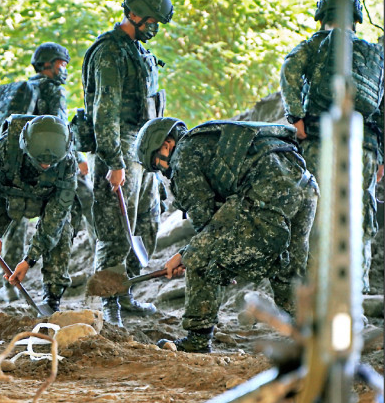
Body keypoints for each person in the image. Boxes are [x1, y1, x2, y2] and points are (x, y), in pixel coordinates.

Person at [132, 117, 319, 353]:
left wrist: (186, 257)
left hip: (267, 194)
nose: (161, 170)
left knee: (200, 256)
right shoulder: (207, 138)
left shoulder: (184, 158)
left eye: (156, 163)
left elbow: (206, 225)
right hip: (305, 187)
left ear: (167, 145)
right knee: (290, 267)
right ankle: (314, 337)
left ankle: (197, 341)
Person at [80, 0, 173, 325]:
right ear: (133, 14)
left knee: (146, 223)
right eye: (151, 21)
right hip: (117, 148)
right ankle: (110, 304)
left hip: (143, 149)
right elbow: (104, 111)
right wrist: (114, 161)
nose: (154, 28)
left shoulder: (138, 51)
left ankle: (126, 293)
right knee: (115, 231)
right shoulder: (109, 52)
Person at [280, 0, 384, 293]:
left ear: (322, 16)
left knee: (317, 212)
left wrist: (296, 118)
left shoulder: (314, 45)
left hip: (319, 140)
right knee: (360, 215)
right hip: (363, 147)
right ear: (356, 20)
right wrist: (380, 154)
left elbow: (289, 71)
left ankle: (315, 290)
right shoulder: (373, 56)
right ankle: (357, 291)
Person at [0, 41, 72, 302]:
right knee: (64, 218)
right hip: (39, 167)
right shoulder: (51, 90)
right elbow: (59, 129)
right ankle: (33, 288)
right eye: (62, 64)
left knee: (10, 225)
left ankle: (5, 288)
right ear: (49, 65)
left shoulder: (22, 89)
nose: (64, 70)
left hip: (8, 169)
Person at [0, 115, 78, 315]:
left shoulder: (68, 162)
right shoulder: (6, 147)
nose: (45, 166)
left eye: (50, 163)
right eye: (40, 161)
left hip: (44, 199)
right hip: (3, 196)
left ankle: (52, 302)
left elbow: (56, 216)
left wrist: (29, 260)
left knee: (61, 235)